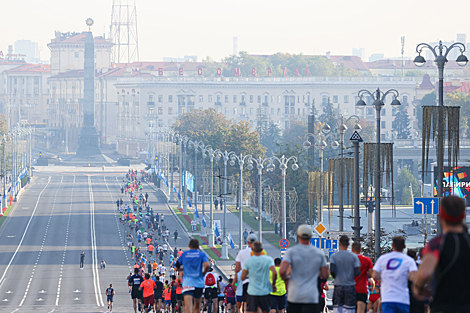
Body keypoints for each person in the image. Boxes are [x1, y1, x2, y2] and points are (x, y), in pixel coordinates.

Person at [414, 195, 470, 312]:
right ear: (463, 216)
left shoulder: (437, 244)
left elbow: (424, 273)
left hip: (444, 306)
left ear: (441, 216)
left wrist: (418, 288)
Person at [280, 224, 328, 313]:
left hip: (295, 295)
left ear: (298, 236)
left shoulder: (291, 252)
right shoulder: (318, 254)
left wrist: (287, 280)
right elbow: (325, 274)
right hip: (311, 296)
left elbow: (282, 271)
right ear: (311, 236)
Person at [373, 236, 417, 313]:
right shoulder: (409, 260)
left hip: (387, 297)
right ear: (404, 246)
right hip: (403, 299)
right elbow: (414, 277)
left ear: (392, 245)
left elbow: (374, 275)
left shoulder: (383, 258)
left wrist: (384, 276)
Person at [175, 238, 210, 313]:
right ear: (198, 246)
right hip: (198, 283)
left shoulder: (184, 254)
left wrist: (182, 269)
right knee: (197, 307)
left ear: (189, 245)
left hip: (187, 283)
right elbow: (207, 265)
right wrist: (203, 273)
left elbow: (176, 266)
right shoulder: (201, 254)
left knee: (188, 307)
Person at [241, 241, 276, 313]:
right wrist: (273, 284)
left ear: (252, 250)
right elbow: (275, 273)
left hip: (252, 291)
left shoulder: (248, 261)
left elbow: (243, 277)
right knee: (265, 310)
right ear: (262, 249)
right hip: (265, 291)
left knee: (252, 311)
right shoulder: (268, 260)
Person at [330, 235, 360, 313]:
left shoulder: (334, 256)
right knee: (349, 309)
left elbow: (332, 271)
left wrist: (336, 277)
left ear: (339, 243)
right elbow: (357, 272)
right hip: (350, 286)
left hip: (338, 286)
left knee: (337, 309)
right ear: (349, 244)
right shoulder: (354, 257)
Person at [234, 233, 258, 306]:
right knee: (258, 305)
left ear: (247, 242)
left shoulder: (242, 252)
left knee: (247, 305)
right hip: (257, 282)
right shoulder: (261, 252)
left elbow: (237, 269)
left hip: (247, 282)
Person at [351, 241, 373, 313]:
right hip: (362, 289)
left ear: (352, 249)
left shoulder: (349, 260)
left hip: (349, 289)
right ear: (360, 250)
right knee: (360, 310)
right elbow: (370, 274)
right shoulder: (367, 260)